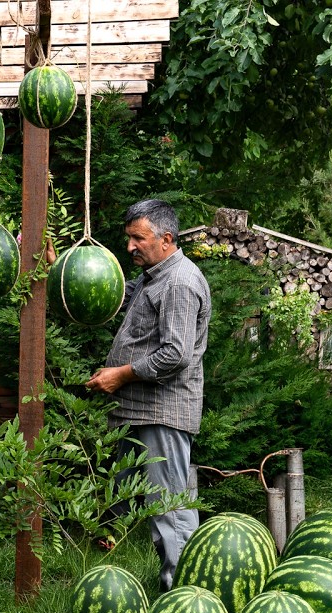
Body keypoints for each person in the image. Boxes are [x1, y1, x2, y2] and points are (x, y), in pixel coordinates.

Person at [85, 199, 210, 592]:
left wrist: (120, 375)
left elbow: (175, 354)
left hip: (163, 411)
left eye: (138, 238)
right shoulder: (153, 277)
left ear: (166, 239)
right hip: (138, 409)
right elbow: (114, 298)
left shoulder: (179, 283)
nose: (130, 246)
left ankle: (184, 596)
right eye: (129, 238)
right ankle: (115, 578)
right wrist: (62, 271)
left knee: (168, 507)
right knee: (119, 496)